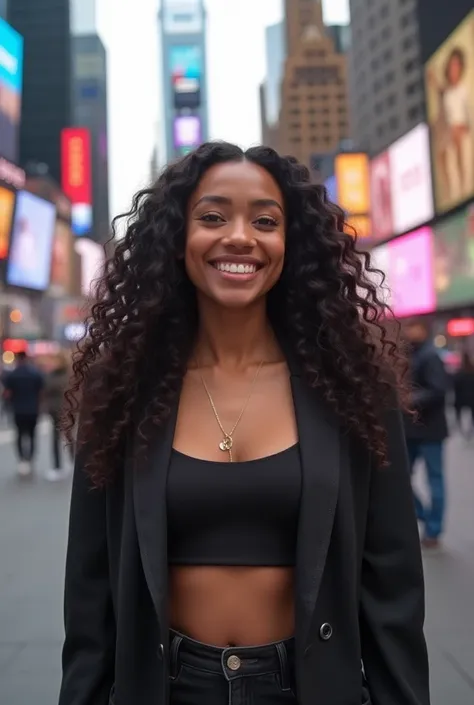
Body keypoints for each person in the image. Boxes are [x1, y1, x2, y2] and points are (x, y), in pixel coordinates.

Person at [59, 143, 429, 705]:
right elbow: (89, 595)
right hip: (167, 687)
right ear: (176, 240)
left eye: (265, 220)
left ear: (292, 243)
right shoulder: (123, 387)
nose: (239, 236)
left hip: (306, 687)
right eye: (212, 217)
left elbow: (393, 587)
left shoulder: (353, 385)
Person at [403, 321, 449, 551]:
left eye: (415, 327)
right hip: (412, 430)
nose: (411, 332)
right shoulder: (410, 354)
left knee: (435, 480)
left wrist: (410, 400)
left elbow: (438, 390)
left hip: (430, 431)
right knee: (402, 478)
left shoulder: (430, 356)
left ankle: (433, 528)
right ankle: (423, 514)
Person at [2, 350, 44, 477]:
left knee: (20, 435)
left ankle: (22, 460)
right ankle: (30, 459)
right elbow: (41, 392)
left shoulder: (12, 375)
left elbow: (7, 393)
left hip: (18, 409)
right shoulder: (36, 374)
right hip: (33, 409)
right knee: (32, 435)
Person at [43, 353, 72, 481]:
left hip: (63, 409)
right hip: (59, 410)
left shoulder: (62, 375)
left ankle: (66, 464)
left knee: (68, 437)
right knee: (63, 437)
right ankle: (59, 466)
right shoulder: (63, 375)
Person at [453, 351, 474, 438]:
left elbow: (455, 386)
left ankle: (464, 432)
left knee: (461, 417)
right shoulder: (472, 373)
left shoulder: (459, 373)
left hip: (461, 399)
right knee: (471, 417)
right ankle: (469, 431)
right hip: (471, 399)